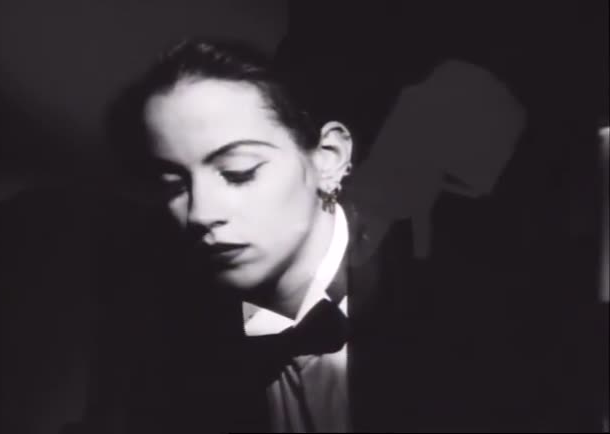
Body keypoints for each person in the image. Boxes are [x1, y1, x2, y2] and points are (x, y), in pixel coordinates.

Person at [79, 38, 557, 433]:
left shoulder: (472, 313)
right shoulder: (163, 345)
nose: (201, 213)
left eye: (239, 172)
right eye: (174, 186)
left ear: (328, 158)